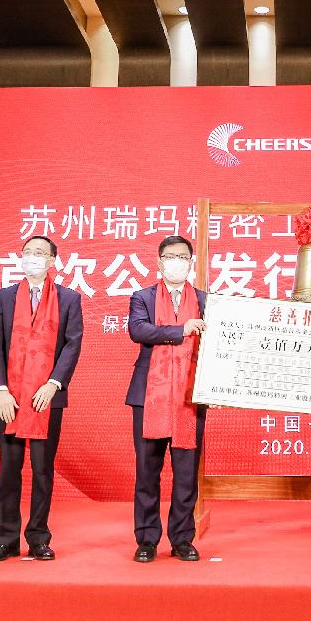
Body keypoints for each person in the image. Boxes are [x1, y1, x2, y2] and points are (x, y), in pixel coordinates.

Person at [0, 235, 83, 562]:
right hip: (9, 397)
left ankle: (39, 538)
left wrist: (53, 384)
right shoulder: (4, 297)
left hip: (46, 397)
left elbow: (72, 345)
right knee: (9, 470)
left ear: (52, 261)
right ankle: (5, 539)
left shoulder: (69, 299)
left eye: (40, 253)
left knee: (42, 471)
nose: (33, 257)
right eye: (28, 252)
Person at [126, 235, 207, 563]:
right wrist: (181, 329)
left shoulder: (204, 299)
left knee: (186, 473)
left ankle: (182, 539)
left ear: (191, 262)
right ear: (159, 262)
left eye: (182, 257)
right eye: (170, 257)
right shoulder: (142, 297)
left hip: (189, 394)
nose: (177, 262)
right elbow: (139, 331)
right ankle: (147, 540)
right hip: (149, 395)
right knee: (148, 471)